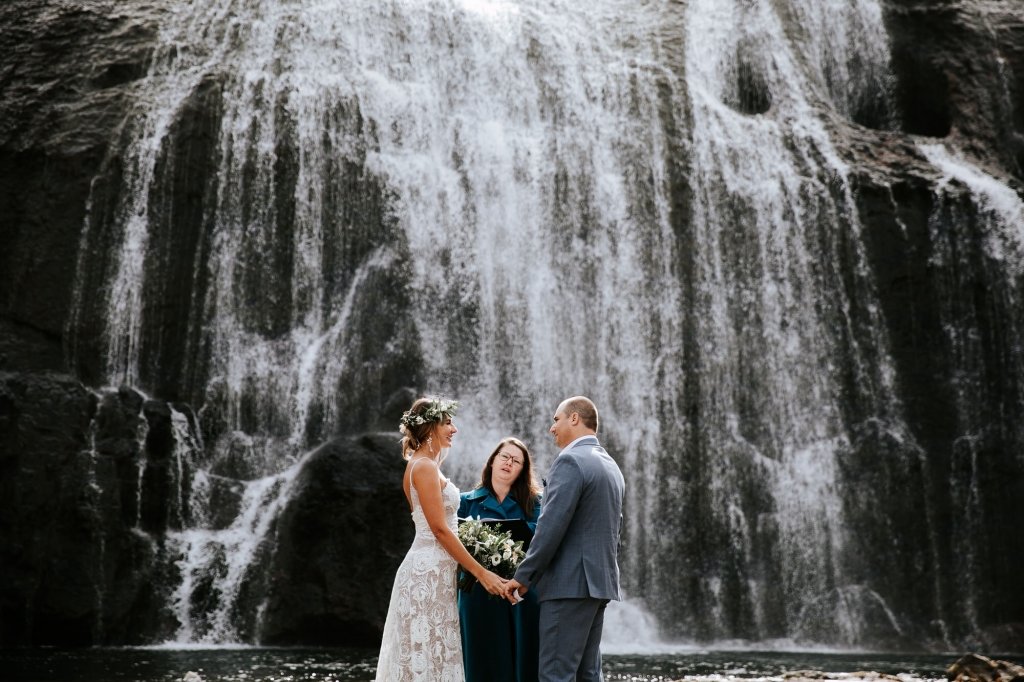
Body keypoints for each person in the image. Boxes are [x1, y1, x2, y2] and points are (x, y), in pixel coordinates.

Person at [374, 396, 507, 682]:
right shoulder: (423, 467)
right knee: (428, 654)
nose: (454, 429)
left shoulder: (426, 464)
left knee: (436, 653)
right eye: (447, 423)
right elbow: (440, 529)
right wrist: (481, 573)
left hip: (437, 571)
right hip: (427, 574)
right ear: (430, 426)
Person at [503, 396, 625, 682]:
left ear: (574, 418)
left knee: (555, 675)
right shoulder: (611, 466)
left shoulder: (570, 461)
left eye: (556, 419)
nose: (551, 428)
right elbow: (615, 531)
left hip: (569, 585)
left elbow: (550, 526)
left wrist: (524, 576)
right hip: (598, 585)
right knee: (587, 675)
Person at [458, 437, 543, 682]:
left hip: (520, 592)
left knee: (523, 661)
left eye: (516, 461)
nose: (509, 463)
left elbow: (541, 544)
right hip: (477, 592)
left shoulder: (536, 503)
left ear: (522, 470)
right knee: (480, 659)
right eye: (504, 457)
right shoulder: (465, 502)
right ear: (493, 461)